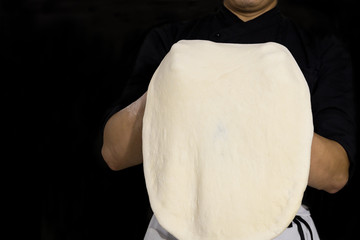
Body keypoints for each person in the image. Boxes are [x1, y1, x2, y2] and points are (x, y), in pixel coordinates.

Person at [101, 0, 357, 239]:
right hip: (178, 224)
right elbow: (115, 154)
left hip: (278, 225)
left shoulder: (319, 48)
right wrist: (168, 85)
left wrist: (268, 110)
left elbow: (334, 176)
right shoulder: (172, 44)